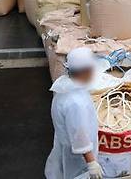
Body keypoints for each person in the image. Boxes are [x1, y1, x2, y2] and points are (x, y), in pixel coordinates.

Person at [45, 47, 103, 179]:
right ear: (86, 71)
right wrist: (91, 163)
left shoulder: (64, 88)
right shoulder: (76, 102)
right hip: (77, 159)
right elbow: (79, 136)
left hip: (65, 148)